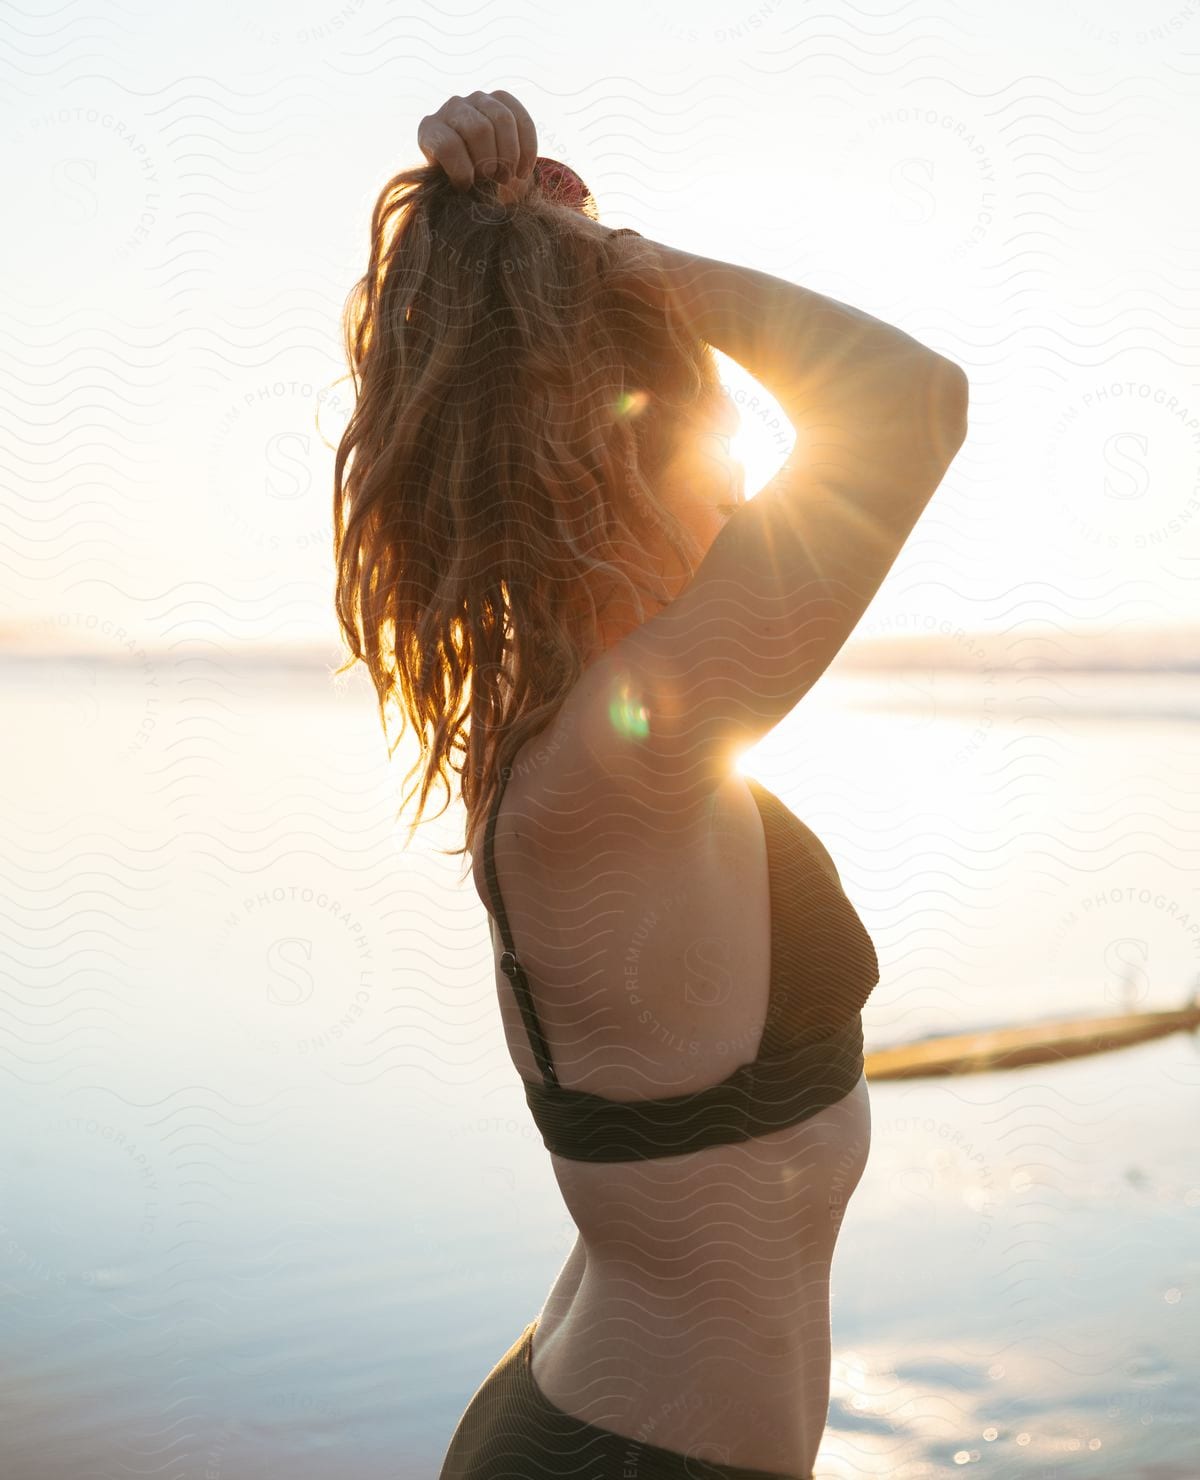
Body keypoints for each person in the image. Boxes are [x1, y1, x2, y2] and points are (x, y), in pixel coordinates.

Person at [332, 90, 970, 1479]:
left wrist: (531, 221)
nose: (741, 487)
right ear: (604, 472)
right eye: (706, 440)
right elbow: (910, 404)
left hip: (610, 1420)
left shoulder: (586, 727)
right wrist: (630, 264)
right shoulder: (621, 760)